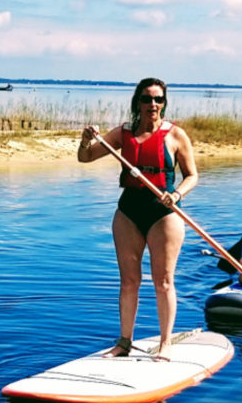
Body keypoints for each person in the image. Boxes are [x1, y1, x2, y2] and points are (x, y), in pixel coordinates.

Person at [78, 77, 198, 360]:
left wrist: (177, 194)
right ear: (137, 102)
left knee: (164, 281)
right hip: (128, 212)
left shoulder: (175, 135)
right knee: (129, 281)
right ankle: (124, 342)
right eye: (146, 99)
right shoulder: (123, 133)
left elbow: (192, 175)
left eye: (158, 99)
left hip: (164, 213)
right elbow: (85, 158)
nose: (152, 104)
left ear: (164, 103)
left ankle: (166, 343)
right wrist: (84, 142)